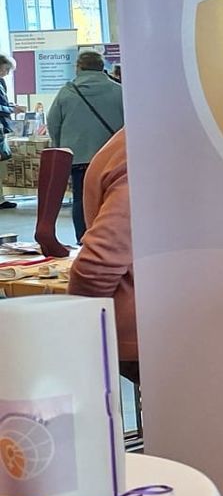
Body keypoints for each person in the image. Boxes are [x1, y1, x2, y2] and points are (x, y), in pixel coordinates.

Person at [65, 128, 137, 378]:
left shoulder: (135, 143)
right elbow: (98, 264)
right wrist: (83, 332)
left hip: (155, 330)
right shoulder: (148, 148)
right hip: (152, 335)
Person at [46, 49, 123, 239]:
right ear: (102, 67)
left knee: (80, 199)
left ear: (78, 67)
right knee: (113, 197)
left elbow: (53, 123)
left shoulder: (67, 92)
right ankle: (109, 239)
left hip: (78, 156)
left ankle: (83, 239)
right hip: (112, 157)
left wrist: (61, 145)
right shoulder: (119, 91)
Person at [0, 53, 14, 209]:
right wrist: (10, 109)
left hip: (2, 126)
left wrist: (10, 106)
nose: (6, 72)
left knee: (3, 162)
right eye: (5, 69)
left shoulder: (1, 82)